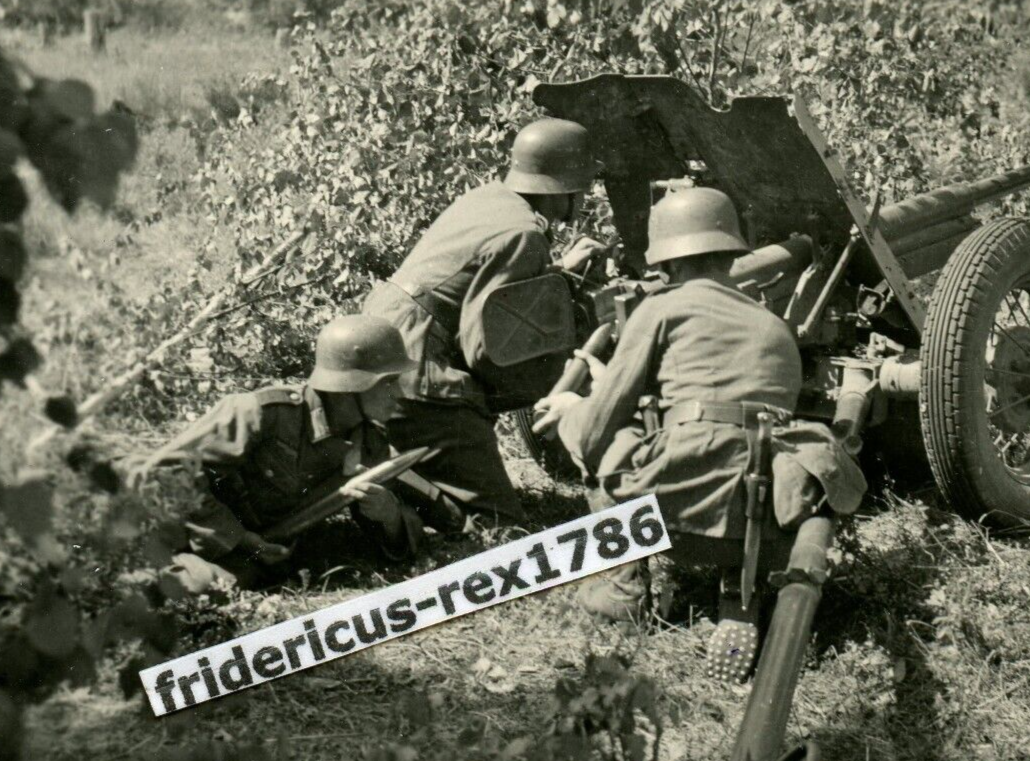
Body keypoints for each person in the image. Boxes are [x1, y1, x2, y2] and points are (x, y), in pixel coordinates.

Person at [534, 187, 867, 622]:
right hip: (769, 527)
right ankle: (739, 577)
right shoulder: (775, 328)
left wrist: (569, 409)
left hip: (675, 526)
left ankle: (623, 590)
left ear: (667, 259)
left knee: (605, 437)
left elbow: (597, 429)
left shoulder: (660, 310)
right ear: (731, 251)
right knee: (746, 441)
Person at [361, 117, 607, 524]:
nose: (582, 201)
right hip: (422, 374)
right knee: (496, 522)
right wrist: (557, 368)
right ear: (565, 190)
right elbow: (486, 353)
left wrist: (557, 274)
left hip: (384, 343)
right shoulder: (523, 235)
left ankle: (400, 465)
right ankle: (393, 487)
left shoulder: (489, 199)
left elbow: (469, 287)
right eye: (582, 190)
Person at [131, 315, 463, 592]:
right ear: (353, 384)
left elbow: (403, 539)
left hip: (246, 552)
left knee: (206, 588)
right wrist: (242, 540)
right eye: (389, 382)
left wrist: (389, 516)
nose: (399, 395)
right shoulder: (261, 413)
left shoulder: (368, 445)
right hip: (170, 519)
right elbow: (166, 473)